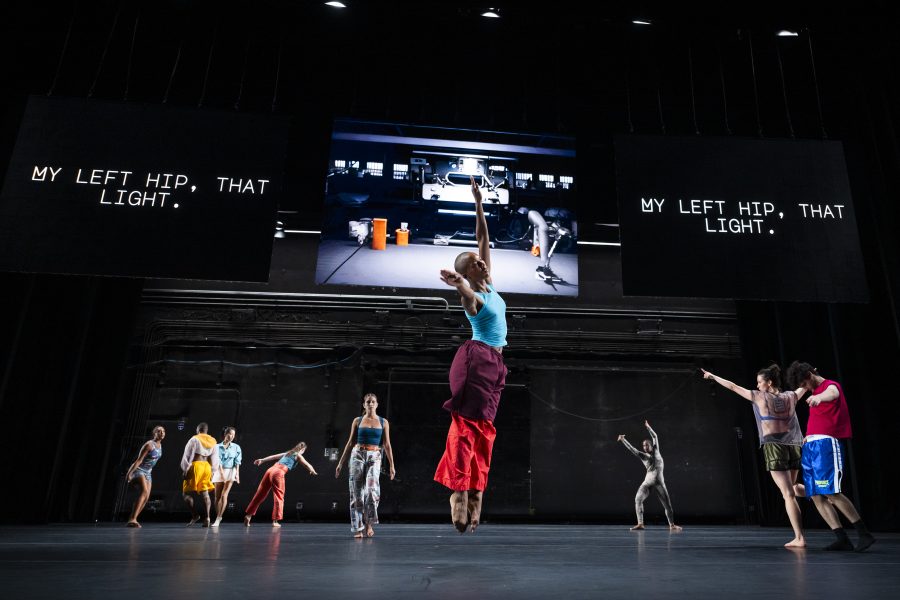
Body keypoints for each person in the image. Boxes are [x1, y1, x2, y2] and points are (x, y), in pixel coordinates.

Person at [435, 175, 508, 534]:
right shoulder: (474, 296)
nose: (483, 263)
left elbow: (482, 238)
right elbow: (466, 292)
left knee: (485, 428)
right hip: (476, 359)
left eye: (482, 261)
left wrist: (478, 202)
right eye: (477, 263)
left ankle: (476, 489)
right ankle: (458, 491)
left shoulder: (490, 284)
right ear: (468, 272)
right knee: (465, 426)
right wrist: (458, 283)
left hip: (496, 364)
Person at [702, 365, 807, 547]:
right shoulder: (791, 396)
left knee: (788, 494)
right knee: (792, 487)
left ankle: (799, 538)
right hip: (794, 447)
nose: (757, 386)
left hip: (774, 446)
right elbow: (805, 386)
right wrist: (812, 375)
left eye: (759, 382)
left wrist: (713, 376)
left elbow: (733, 386)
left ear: (769, 382)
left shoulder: (759, 397)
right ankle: (823, 494)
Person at [786, 361, 876, 552]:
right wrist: (809, 437)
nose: (806, 389)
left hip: (826, 444)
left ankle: (864, 534)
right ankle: (841, 538)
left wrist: (820, 398)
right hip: (811, 445)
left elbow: (832, 393)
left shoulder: (830, 386)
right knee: (814, 494)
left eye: (805, 384)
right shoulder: (811, 389)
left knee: (830, 491)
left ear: (810, 376)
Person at [335, 393, 396, 538]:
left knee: (371, 491)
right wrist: (340, 463)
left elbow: (387, 445)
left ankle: (369, 523)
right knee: (357, 493)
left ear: (377, 404)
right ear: (364, 405)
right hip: (357, 455)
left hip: (374, 456)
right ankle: (358, 527)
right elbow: (350, 442)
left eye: (373, 402)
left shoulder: (383, 422)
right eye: (368, 402)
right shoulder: (357, 420)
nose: (371, 404)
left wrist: (392, 465)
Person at [617, 420, 682, 532]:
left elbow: (655, 436)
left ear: (651, 446)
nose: (645, 447)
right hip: (648, 482)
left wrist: (648, 427)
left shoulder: (656, 451)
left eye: (647, 445)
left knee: (667, 505)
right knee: (638, 499)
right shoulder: (643, 456)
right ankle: (640, 523)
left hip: (659, 483)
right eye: (643, 445)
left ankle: (672, 525)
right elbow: (632, 449)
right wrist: (623, 440)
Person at [244, 442, 318, 528]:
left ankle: (248, 515)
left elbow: (273, 457)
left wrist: (262, 460)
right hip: (278, 472)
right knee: (279, 496)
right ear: (302, 450)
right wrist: (313, 471)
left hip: (270, 470)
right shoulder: (298, 455)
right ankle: (275, 521)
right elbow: (307, 464)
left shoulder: (288, 453)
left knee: (260, 494)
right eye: (303, 450)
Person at [124, 425, 165, 528]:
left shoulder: (160, 446)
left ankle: (132, 519)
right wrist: (129, 473)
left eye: (163, 431)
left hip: (148, 472)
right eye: (159, 431)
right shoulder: (149, 445)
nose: (161, 433)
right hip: (139, 470)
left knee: (146, 497)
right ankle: (132, 519)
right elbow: (139, 460)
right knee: (144, 492)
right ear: (154, 433)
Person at [180, 422, 219, 527]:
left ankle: (195, 515)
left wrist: (185, 469)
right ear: (206, 430)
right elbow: (215, 459)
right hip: (206, 467)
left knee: (186, 494)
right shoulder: (213, 441)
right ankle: (207, 518)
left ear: (198, 430)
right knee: (205, 494)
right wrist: (213, 471)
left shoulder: (194, 439)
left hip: (195, 466)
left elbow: (188, 455)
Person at [211, 426, 242, 527]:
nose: (232, 436)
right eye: (230, 434)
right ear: (225, 434)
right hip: (219, 471)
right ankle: (218, 516)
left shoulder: (236, 447)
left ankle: (218, 518)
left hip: (230, 471)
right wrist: (221, 474)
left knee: (224, 495)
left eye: (233, 435)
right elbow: (218, 461)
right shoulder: (216, 447)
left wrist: (237, 474)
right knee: (217, 497)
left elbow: (237, 462)